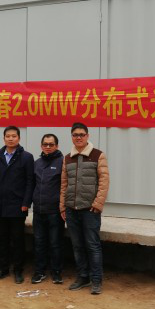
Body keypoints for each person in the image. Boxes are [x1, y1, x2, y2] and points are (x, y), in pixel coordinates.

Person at [60, 122, 110, 295]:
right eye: (75, 135)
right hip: (71, 209)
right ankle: (83, 277)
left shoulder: (98, 155)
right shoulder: (67, 158)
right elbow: (64, 184)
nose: (78, 137)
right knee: (77, 246)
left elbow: (104, 181)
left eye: (82, 134)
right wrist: (62, 206)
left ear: (87, 136)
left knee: (92, 245)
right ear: (72, 137)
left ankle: (96, 280)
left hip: (90, 210)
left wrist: (98, 204)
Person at [0, 126, 34, 284]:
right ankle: (3, 268)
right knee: (2, 239)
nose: (11, 138)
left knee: (17, 239)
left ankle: (18, 270)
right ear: (4, 138)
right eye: (8, 136)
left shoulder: (26, 157)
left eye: (14, 136)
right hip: (0, 204)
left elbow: (30, 181)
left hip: (18, 204)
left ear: (19, 138)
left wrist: (26, 202)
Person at [31, 134, 65, 284]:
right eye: (45, 144)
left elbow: (65, 186)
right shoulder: (37, 163)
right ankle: (39, 272)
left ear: (57, 146)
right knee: (39, 243)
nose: (48, 147)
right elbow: (32, 184)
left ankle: (56, 272)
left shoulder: (62, 162)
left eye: (51, 144)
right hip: (38, 211)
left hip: (55, 211)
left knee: (55, 243)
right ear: (41, 146)